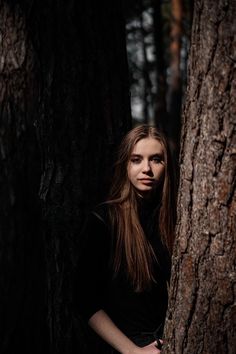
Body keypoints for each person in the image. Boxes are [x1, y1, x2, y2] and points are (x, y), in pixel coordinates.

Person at [74, 124, 177, 354]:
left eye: (156, 159)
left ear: (167, 166)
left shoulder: (176, 220)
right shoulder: (104, 220)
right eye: (137, 159)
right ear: (125, 165)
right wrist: (133, 352)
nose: (147, 169)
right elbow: (85, 301)